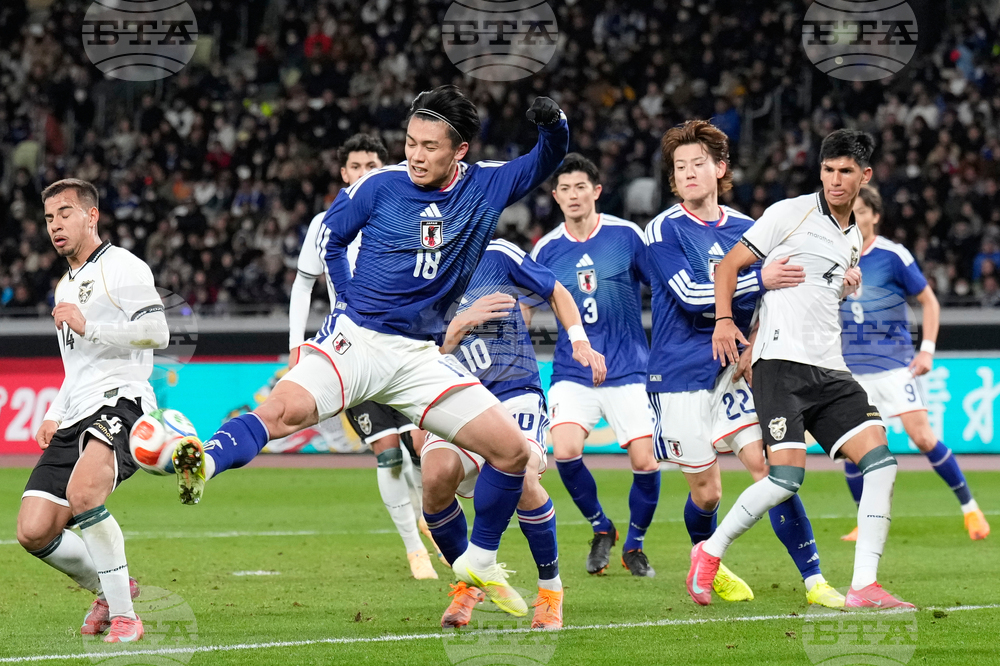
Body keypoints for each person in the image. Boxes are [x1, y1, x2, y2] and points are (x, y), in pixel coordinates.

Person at [172, 86, 570, 618]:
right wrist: (346, 298)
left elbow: (547, 157)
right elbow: (330, 239)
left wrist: (554, 124)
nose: (415, 154)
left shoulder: (486, 186)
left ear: (460, 151)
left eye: (430, 146)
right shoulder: (378, 186)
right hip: (356, 339)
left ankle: (479, 559)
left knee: (513, 452)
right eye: (409, 141)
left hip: (421, 357)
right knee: (283, 411)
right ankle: (206, 463)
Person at [695, 129, 915, 609]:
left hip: (831, 370)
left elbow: (820, 288)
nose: (836, 181)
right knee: (784, 482)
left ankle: (864, 586)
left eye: (846, 172)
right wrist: (726, 322)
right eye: (829, 170)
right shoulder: (787, 214)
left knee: (882, 466)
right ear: (820, 171)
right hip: (781, 366)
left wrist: (844, 284)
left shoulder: (853, 236)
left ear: (865, 176)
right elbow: (727, 267)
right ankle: (709, 554)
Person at [646, 120, 845, 607]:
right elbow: (694, 296)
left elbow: (789, 281)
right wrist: (761, 281)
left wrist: (841, 274)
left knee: (772, 469)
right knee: (708, 494)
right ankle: (706, 558)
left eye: (697, 164)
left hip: (732, 368)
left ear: (720, 168)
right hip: (678, 374)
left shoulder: (746, 229)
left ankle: (814, 579)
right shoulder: (662, 230)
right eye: (679, 167)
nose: (688, 173)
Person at [422, 239, 605, 629]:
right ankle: (469, 582)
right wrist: (453, 332)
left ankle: (550, 591)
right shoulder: (416, 271)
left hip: (512, 391)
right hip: (455, 395)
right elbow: (411, 357)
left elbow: (555, 290)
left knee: (522, 478)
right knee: (435, 478)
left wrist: (579, 340)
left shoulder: (497, 252)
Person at [16, 179, 169, 642]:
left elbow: (159, 331)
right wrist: (55, 412)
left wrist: (92, 325)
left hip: (123, 399)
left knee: (85, 495)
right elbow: (76, 365)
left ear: (92, 216)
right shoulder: (64, 285)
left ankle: (126, 617)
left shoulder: (123, 266)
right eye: (48, 218)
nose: (55, 225)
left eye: (65, 213)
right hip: (78, 408)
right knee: (33, 530)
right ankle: (108, 588)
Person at [288, 133, 443, 579]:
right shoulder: (325, 223)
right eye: (356, 166)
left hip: (404, 346)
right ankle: (414, 549)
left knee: (420, 448)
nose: (364, 173)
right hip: (349, 350)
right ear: (344, 174)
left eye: (372, 165)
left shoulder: (402, 214)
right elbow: (303, 284)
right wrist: (296, 346)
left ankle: (428, 521)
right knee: (388, 451)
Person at [530, 153, 660, 578]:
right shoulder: (546, 248)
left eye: (580, 187)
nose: (572, 195)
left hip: (628, 369)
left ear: (596, 191)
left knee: (645, 461)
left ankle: (635, 545)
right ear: (555, 196)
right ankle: (602, 528)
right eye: (564, 189)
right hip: (572, 371)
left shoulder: (626, 235)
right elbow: (528, 305)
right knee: (565, 451)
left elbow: (659, 285)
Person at [839, 185, 989, 541]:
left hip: (892, 365)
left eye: (861, 211)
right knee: (850, 450)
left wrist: (927, 349)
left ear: (875, 215)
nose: (855, 218)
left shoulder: (893, 255)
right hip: (851, 369)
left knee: (922, 437)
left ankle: (971, 510)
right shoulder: (834, 254)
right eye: (849, 212)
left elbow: (929, 302)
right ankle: (865, 522)